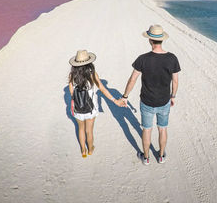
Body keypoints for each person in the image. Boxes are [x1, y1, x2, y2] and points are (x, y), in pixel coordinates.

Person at [121, 25, 180, 165]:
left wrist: (125, 96)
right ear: (162, 40)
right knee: (162, 128)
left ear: (150, 40)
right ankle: (160, 156)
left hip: (147, 101)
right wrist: (173, 96)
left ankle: (146, 157)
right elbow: (175, 81)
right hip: (164, 101)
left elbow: (132, 79)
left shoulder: (143, 59)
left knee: (146, 130)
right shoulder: (172, 58)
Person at [69, 50, 124, 158]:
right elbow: (102, 89)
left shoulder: (72, 75)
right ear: (89, 62)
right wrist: (115, 100)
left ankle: (83, 151)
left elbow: (72, 93)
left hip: (77, 108)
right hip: (91, 108)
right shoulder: (92, 74)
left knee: (80, 129)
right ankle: (90, 149)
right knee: (89, 131)